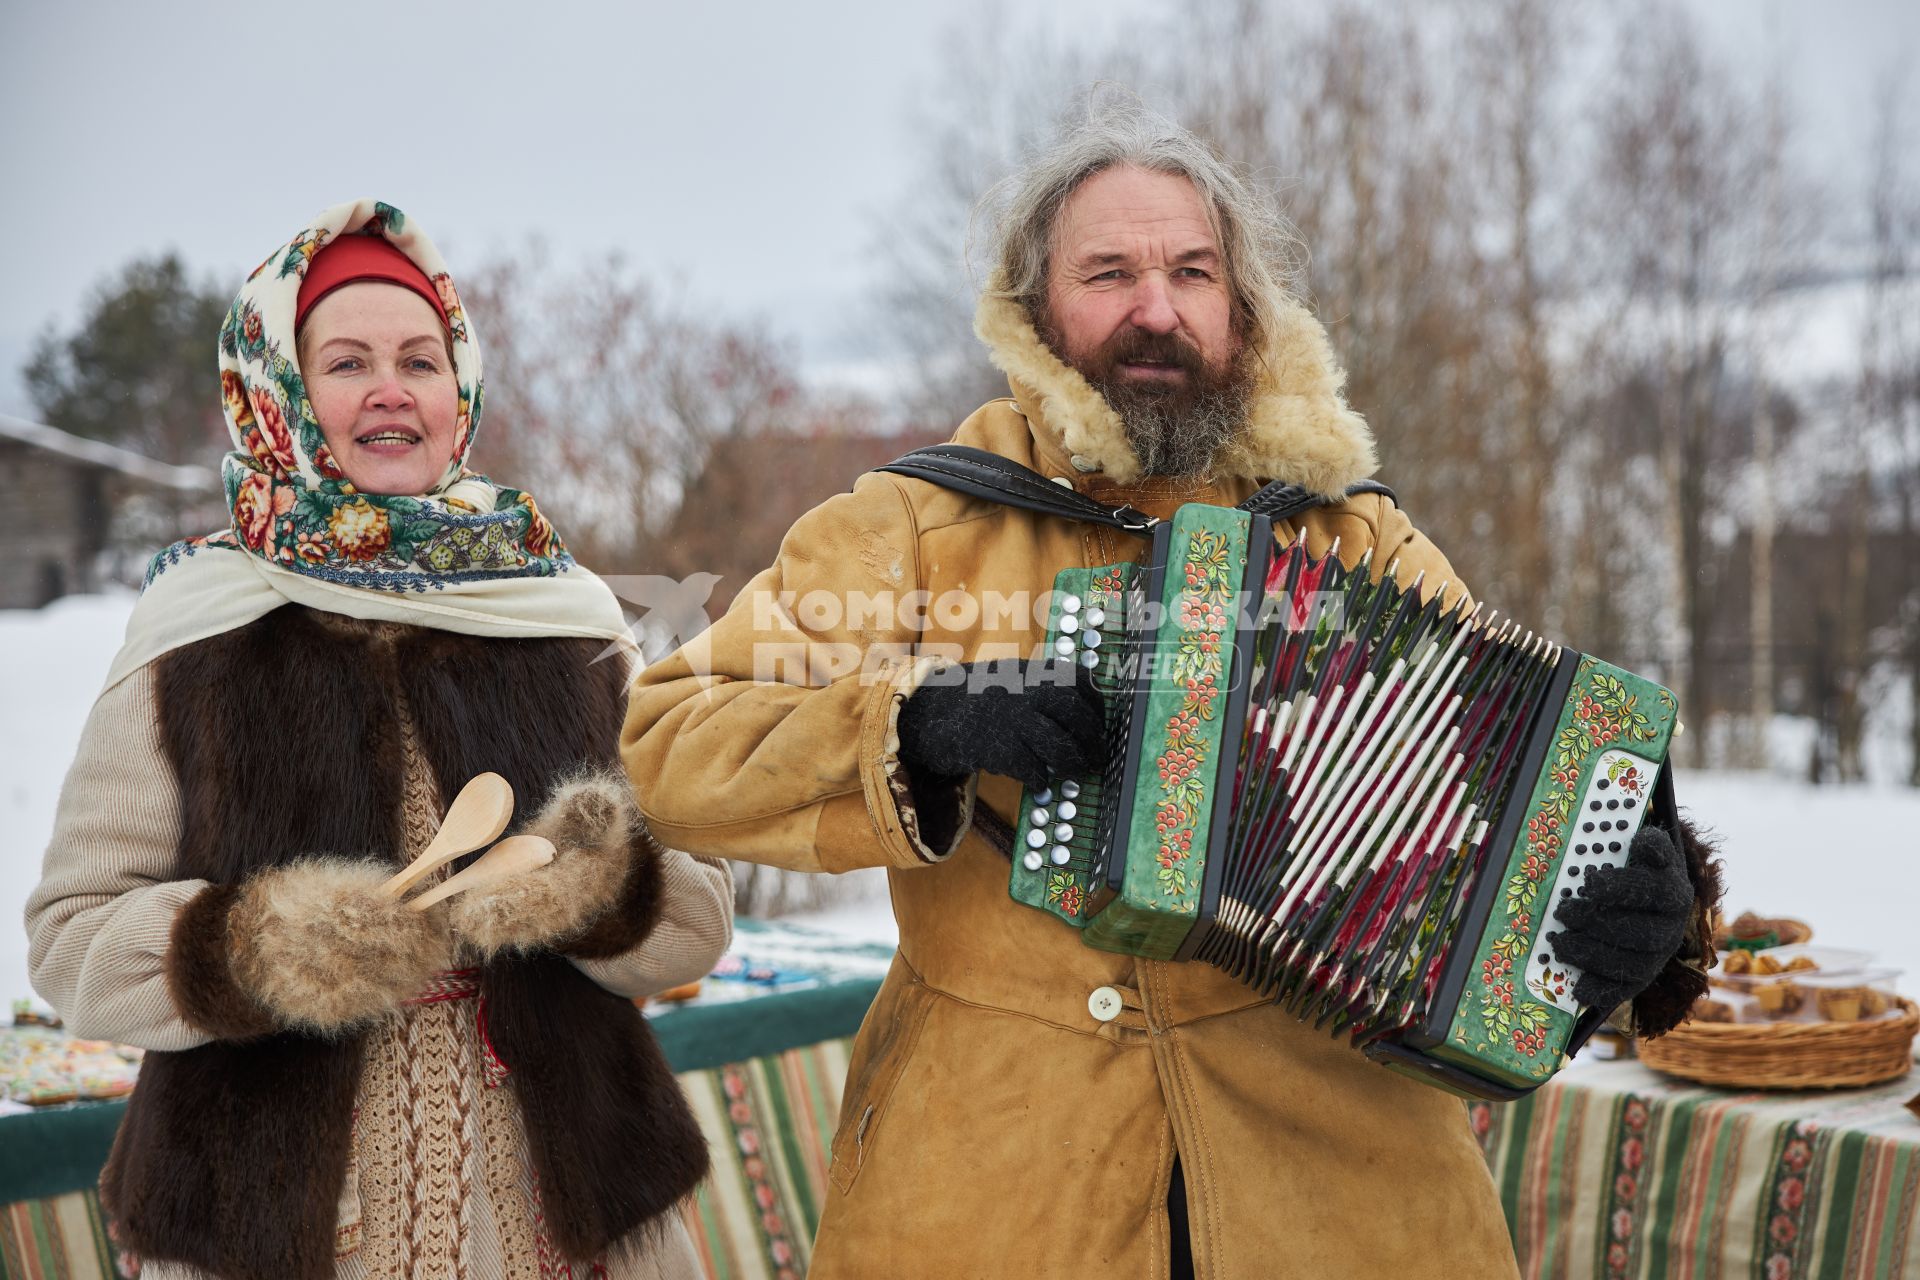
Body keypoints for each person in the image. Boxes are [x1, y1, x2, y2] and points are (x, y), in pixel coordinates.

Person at [623, 111, 1718, 1279]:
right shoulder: (914, 525)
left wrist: (1639, 913)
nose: (1158, 308)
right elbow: (670, 740)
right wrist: (917, 722)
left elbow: (1515, 783)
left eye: (1192, 272)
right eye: (1109, 273)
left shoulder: (1352, 533)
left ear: (1240, 308)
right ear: (1033, 310)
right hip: (1000, 1179)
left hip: (1340, 1183)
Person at [25, 200, 731, 1280]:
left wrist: (593, 892)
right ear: (280, 396)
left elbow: (701, 909)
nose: (392, 387)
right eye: (346, 362)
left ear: (461, 394)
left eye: (420, 358)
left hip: (569, 1230)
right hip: (276, 1236)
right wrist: (255, 946)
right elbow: (73, 936)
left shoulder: (567, 614)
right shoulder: (193, 631)